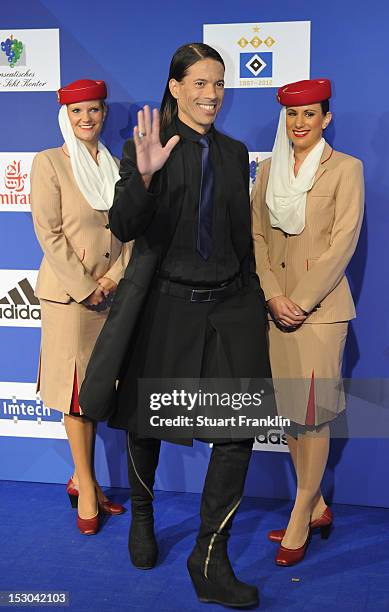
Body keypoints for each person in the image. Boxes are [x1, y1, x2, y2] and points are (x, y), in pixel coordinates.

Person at [79, 43, 272, 607]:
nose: (211, 94)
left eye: (219, 83)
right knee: (146, 421)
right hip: (166, 306)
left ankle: (209, 554)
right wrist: (142, 178)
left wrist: (253, 303)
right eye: (200, 83)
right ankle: (143, 515)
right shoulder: (146, 148)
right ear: (175, 87)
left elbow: (241, 239)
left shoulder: (236, 155)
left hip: (229, 307)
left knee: (237, 434)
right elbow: (124, 223)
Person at [251, 79, 364, 566]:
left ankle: (300, 515)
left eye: (311, 115)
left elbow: (343, 242)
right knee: (293, 414)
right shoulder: (269, 170)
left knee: (312, 414)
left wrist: (299, 299)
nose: (301, 124)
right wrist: (274, 296)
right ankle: (314, 504)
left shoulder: (346, 170)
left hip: (320, 312)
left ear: (326, 119)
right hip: (276, 310)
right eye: (293, 116)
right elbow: (255, 236)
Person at [30, 79, 131, 535]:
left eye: (93, 110)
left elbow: (131, 231)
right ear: (65, 117)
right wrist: (86, 286)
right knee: (75, 395)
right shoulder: (49, 162)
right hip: (72, 298)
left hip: (111, 294)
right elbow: (49, 234)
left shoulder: (116, 166)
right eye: (77, 112)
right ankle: (87, 487)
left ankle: (82, 478)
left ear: (104, 114)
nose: (86, 118)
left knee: (95, 394)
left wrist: (112, 279)